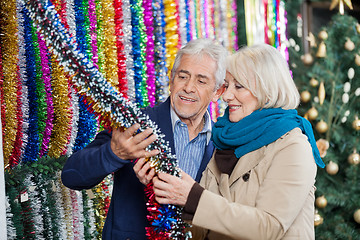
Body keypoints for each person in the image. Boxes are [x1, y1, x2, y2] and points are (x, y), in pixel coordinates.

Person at [152, 44, 325, 240]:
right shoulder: (225, 138)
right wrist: (158, 186)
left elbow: (269, 227)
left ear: (266, 90)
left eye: (239, 86)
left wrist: (194, 197)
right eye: (227, 85)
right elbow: (204, 226)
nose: (226, 96)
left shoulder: (293, 146)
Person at [61, 38, 228, 239]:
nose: (189, 87)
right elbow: (71, 175)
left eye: (201, 81)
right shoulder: (137, 124)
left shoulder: (223, 142)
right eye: (183, 76)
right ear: (171, 79)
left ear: (217, 92)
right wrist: (114, 153)